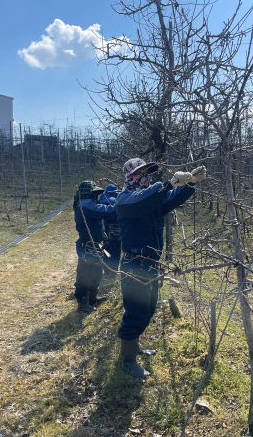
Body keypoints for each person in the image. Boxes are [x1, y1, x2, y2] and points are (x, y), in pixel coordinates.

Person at [115, 158, 207, 378]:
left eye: (147, 173)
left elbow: (170, 200)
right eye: (141, 173)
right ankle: (127, 361)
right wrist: (168, 183)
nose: (145, 177)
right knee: (136, 312)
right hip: (134, 264)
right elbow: (142, 201)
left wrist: (190, 184)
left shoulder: (150, 199)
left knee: (148, 308)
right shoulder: (125, 200)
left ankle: (135, 347)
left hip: (151, 264)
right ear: (130, 177)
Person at [73, 180, 116, 313]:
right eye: (94, 193)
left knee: (96, 273)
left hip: (94, 246)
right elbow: (107, 212)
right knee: (85, 275)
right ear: (88, 194)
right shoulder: (85, 205)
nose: (96, 196)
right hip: (87, 246)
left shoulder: (87, 203)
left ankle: (92, 298)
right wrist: (122, 203)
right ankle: (82, 303)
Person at [99, 184, 121, 278]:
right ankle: (113, 272)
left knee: (105, 249)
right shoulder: (117, 201)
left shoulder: (100, 200)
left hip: (104, 229)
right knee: (115, 251)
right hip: (116, 229)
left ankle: (106, 271)